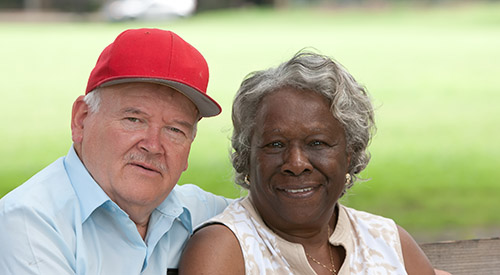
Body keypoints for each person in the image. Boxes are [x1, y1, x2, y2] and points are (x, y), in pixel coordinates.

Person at [179, 52, 448, 274]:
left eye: (317, 143)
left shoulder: (388, 240)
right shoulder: (224, 249)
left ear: (349, 155)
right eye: (275, 144)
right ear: (246, 158)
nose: (296, 163)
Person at [0, 28, 230, 274]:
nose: (153, 146)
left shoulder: (210, 215)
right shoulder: (30, 221)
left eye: (174, 130)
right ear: (81, 119)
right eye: (134, 119)